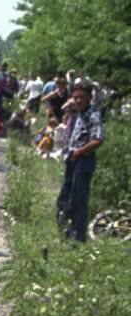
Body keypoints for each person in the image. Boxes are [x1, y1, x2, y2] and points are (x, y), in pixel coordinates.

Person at [56, 78, 103, 241]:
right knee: (64, 196)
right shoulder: (77, 113)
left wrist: (79, 152)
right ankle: (64, 230)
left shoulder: (93, 115)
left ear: (89, 97)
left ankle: (78, 236)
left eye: (81, 97)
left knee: (79, 198)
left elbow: (97, 140)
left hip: (84, 160)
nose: (78, 100)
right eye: (75, 97)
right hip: (71, 159)